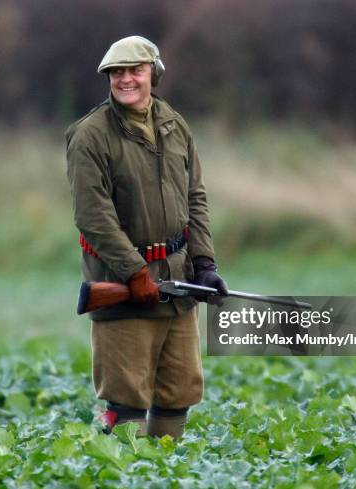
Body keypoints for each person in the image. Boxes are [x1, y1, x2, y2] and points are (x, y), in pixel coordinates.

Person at [65, 35, 228, 439]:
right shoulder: (90, 135)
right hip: (124, 284)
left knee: (178, 391)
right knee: (127, 398)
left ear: (152, 73)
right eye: (116, 73)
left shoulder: (174, 123)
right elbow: (93, 216)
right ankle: (125, 475)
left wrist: (204, 263)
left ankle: (165, 475)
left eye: (134, 70)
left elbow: (196, 197)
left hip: (177, 281)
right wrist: (134, 272)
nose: (125, 80)